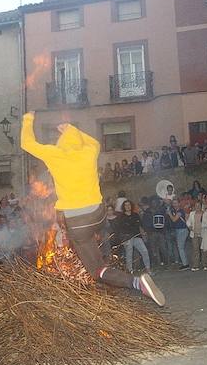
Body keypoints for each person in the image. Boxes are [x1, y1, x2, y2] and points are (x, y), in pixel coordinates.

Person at [20, 112, 165, 306]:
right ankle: (116, 263)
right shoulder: (88, 151)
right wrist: (73, 130)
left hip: (78, 222)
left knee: (96, 270)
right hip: (98, 213)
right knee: (95, 239)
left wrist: (28, 119)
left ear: (61, 143)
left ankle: (136, 283)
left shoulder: (55, 154)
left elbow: (27, 144)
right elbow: (95, 142)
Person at [118, 200, 151, 274]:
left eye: (129, 205)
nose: (127, 206)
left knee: (144, 251)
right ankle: (130, 271)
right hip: (127, 237)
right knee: (129, 254)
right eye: (126, 205)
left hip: (137, 236)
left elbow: (140, 225)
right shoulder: (121, 217)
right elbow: (120, 229)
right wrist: (123, 240)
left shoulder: (135, 215)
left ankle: (148, 269)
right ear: (123, 207)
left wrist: (143, 233)